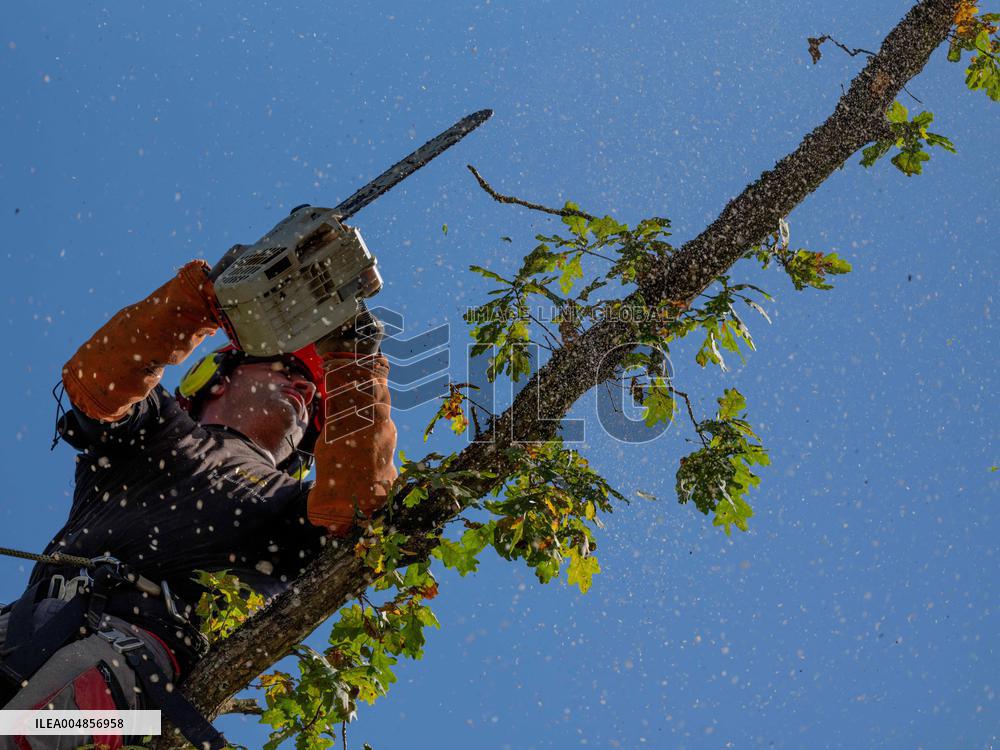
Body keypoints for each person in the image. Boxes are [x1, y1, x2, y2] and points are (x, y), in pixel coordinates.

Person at [0, 257, 398, 749]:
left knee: (23, 737)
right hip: (24, 622)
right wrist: (201, 299)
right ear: (218, 378)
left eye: (314, 395)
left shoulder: (292, 505)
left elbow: (358, 507)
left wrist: (355, 363)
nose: (304, 387)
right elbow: (94, 380)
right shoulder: (153, 427)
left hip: (135, 680)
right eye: (286, 367)